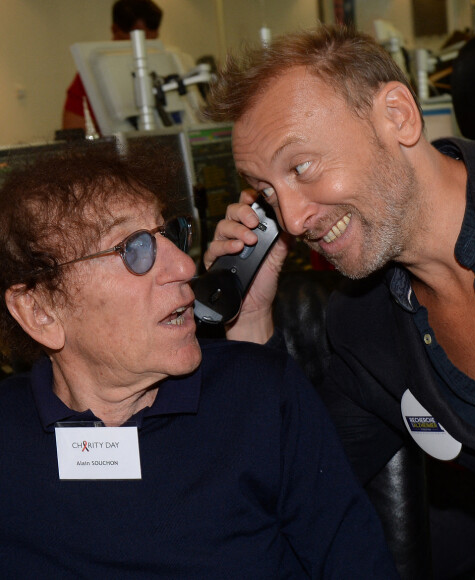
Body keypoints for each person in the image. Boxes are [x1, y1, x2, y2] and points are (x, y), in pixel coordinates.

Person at [203, 24, 475, 575]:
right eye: (265, 193)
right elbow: (286, 489)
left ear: (398, 116)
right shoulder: (366, 330)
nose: (291, 218)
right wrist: (252, 319)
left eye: (301, 167)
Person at [0, 144, 399, 578]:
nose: (184, 266)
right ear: (40, 312)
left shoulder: (260, 394)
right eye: (133, 249)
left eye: (170, 235)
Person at [62, 0, 163, 132]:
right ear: (115, 30)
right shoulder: (91, 75)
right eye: (138, 40)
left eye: (152, 41)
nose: (144, 49)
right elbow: (74, 135)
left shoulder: (165, 65)